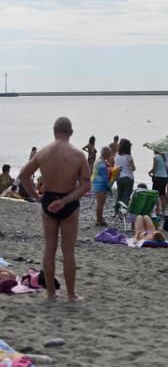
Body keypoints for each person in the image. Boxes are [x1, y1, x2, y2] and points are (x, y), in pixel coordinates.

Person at [18, 117, 91, 302]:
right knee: (68, 251)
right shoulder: (78, 155)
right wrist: (66, 200)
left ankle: (51, 293)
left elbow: (23, 175)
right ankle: (72, 295)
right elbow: (86, 185)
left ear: (54, 131)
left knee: (49, 249)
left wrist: (37, 197)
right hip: (69, 202)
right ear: (71, 132)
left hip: (48, 200)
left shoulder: (43, 153)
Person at [92, 146, 112, 226]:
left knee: (100, 203)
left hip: (97, 183)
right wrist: (109, 186)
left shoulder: (100, 161)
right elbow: (104, 176)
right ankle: (99, 220)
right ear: (106, 154)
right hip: (99, 184)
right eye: (109, 154)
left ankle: (100, 218)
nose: (110, 156)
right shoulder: (101, 162)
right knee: (100, 203)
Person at [114, 138, 135, 214]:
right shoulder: (128, 156)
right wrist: (129, 167)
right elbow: (133, 168)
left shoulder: (116, 156)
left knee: (119, 196)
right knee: (126, 197)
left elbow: (116, 168)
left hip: (120, 178)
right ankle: (125, 212)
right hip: (129, 177)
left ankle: (116, 212)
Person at [148, 150, 168, 215]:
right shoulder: (164, 157)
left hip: (158, 177)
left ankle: (158, 210)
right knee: (162, 194)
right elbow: (166, 168)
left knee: (155, 194)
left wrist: (150, 172)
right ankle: (163, 211)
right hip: (165, 177)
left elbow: (154, 168)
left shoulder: (156, 157)